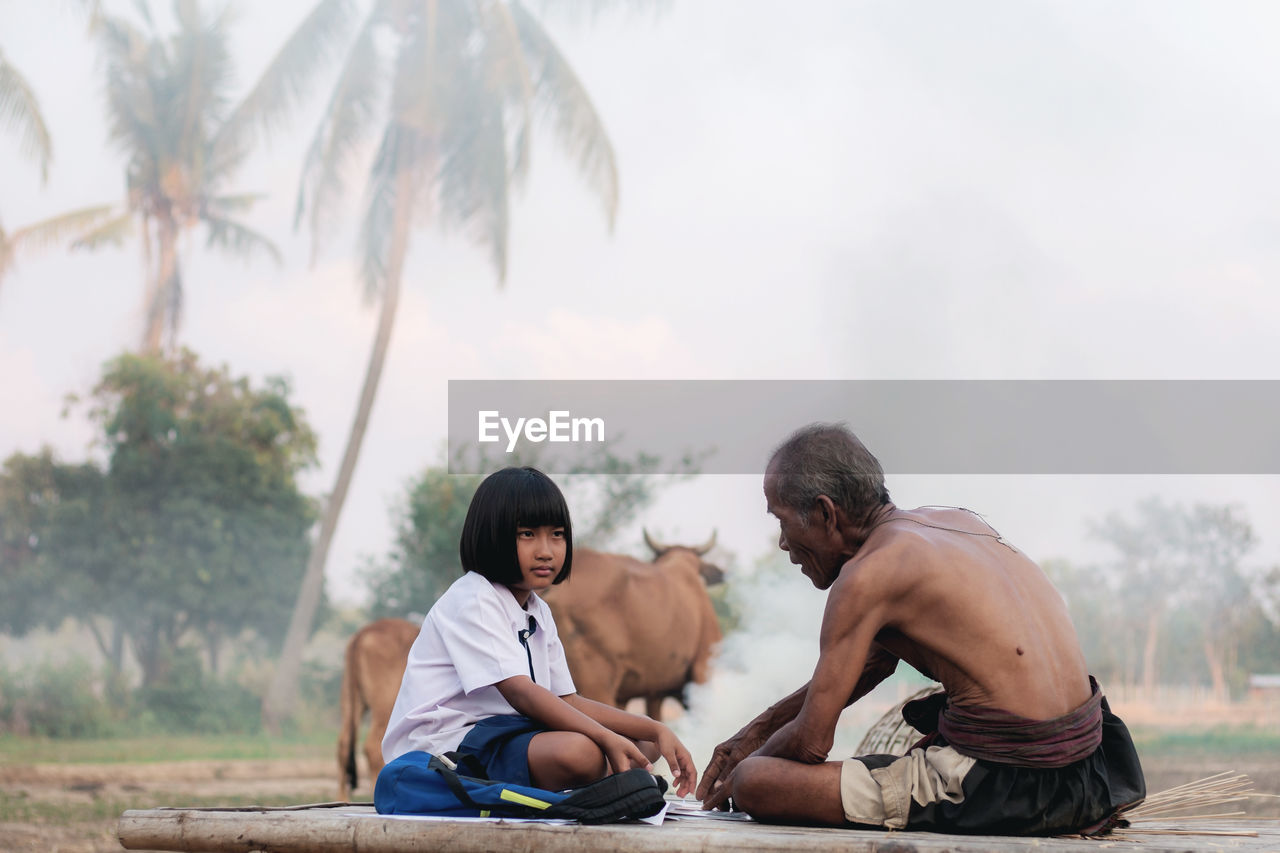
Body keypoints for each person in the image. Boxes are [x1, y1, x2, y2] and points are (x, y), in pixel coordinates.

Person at [696, 424, 1145, 835]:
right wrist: (753, 733)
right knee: (760, 762)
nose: (781, 542)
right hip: (1092, 769)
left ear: (826, 513)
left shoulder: (867, 576)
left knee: (759, 781)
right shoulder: (959, 523)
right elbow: (870, 666)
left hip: (1014, 785)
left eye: (781, 520)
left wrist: (745, 771)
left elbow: (812, 744)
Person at [381, 466, 697, 796]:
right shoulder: (474, 599)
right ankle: (608, 781)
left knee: (644, 744)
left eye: (557, 534)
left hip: (505, 736)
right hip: (444, 747)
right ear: (492, 535)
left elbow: (568, 700)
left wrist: (655, 728)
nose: (546, 550)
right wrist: (604, 737)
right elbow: (521, 693)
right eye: (527, 534)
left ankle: (610, 780)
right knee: (582, 753)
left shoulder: (538, 610)